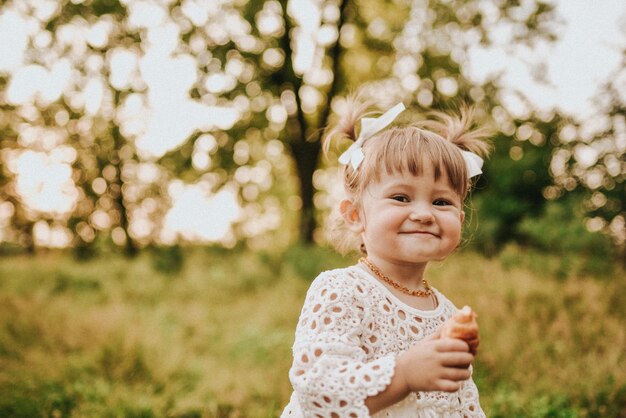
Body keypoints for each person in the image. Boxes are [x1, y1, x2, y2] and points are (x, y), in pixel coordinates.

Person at [281, 98, 492, 417]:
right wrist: (405, 374)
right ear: (354, 215)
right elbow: (318, 390)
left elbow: (460, 404)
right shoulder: (341, 291)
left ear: (460, 220)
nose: (423, 214)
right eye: (400, 197)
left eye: (441, 202)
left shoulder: (447, 313)